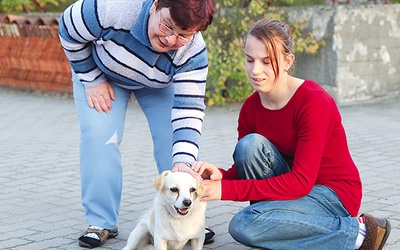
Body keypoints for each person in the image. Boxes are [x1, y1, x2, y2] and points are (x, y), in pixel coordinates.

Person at [191, 18, 392, 250]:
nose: (256, 70)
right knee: (249, 146)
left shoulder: (313, 101)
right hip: (292, 189)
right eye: (250, 60)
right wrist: (222, 176)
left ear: (288, 61)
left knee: (244, 225)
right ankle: (277, 226)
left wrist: (225, 191)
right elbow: (249, 167)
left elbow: (302, 182)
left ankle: (359, 232)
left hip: (332, 194)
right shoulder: (250, 108)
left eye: (267, 62)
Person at [58, 0, 216, 248]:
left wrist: (184, 163)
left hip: (157, 85)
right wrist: (91, 78)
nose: (170, 40)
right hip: (103, 77)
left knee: (175, 144)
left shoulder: (193, 51)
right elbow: (68, 27)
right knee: (100, 138)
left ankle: (189, 221)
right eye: (167, 27)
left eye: (184, 35)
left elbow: (189, 110)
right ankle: (101, 222)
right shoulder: (113, 8)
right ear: (155, 5)